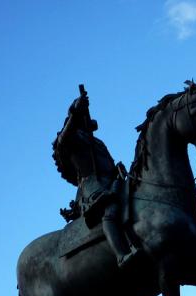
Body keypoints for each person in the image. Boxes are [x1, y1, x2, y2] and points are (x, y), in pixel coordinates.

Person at [53, 86, 137, 268]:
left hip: (112, 181)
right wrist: (76, 110)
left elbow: (106, 163)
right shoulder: (71, 138)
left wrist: (118, 170)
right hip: (93, 186)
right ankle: (121, 254)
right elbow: (62, 141)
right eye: (82, 117)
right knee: (111, 210)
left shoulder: (97, 142)